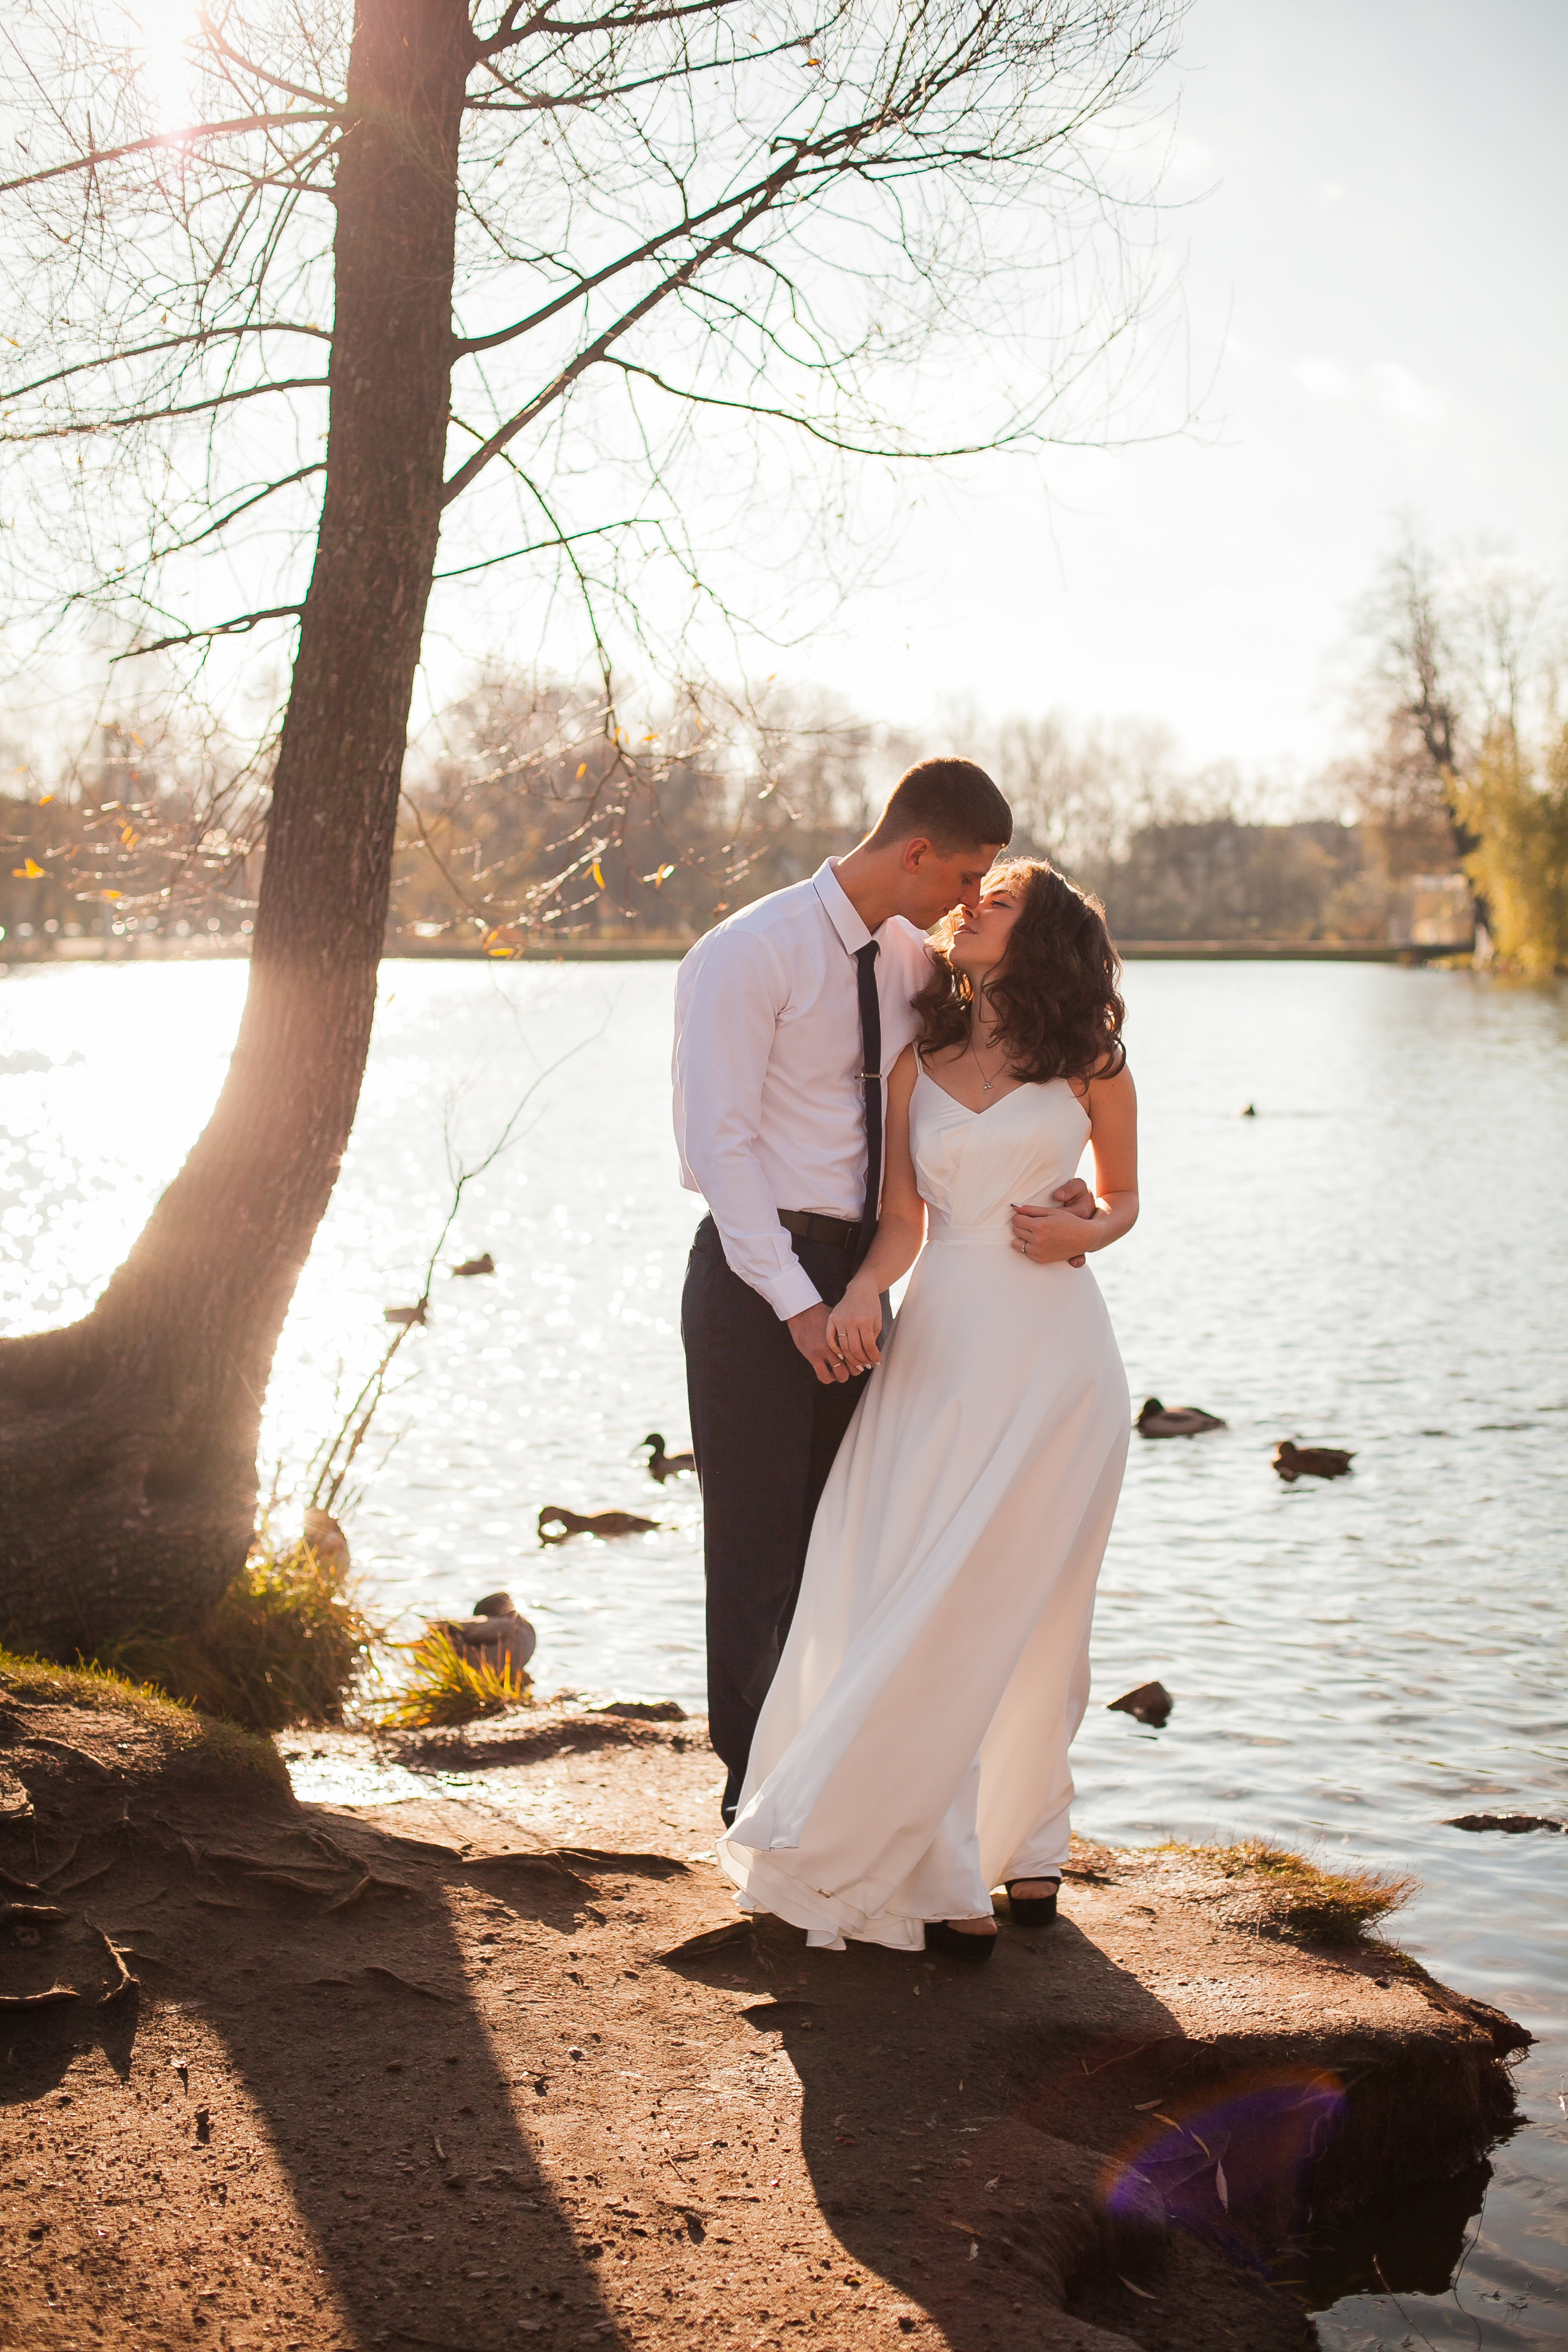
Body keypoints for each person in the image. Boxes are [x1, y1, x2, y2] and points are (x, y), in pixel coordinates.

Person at [715, 859, 1137, 1958]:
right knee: (931, 1590)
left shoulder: (1090, 1059)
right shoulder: (917, 1059)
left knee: (1040, 1602)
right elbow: (902, 1223)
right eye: (974, 894)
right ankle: (941, 1863)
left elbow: (1126, 1196)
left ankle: (1032, 1843)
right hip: (943, 1345)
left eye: (1000, 901)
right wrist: (862, 1291)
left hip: (1059, 1355)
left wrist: (1085, 1229)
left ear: (1042, 935)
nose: (972, 906)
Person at [674, 760, 1095, 1826]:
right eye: (964, 876)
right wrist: (796, 1304)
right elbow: (718, 1149)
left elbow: (993, 1074)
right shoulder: (749, 952)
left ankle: (832, 1783)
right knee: (758, 1548)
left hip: (871, 1277)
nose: (969, 900)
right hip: (758, 1275)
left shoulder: (914, 960)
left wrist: (1058, 1182)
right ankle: (753, 1801)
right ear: (916, 853)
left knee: (854, 1542)